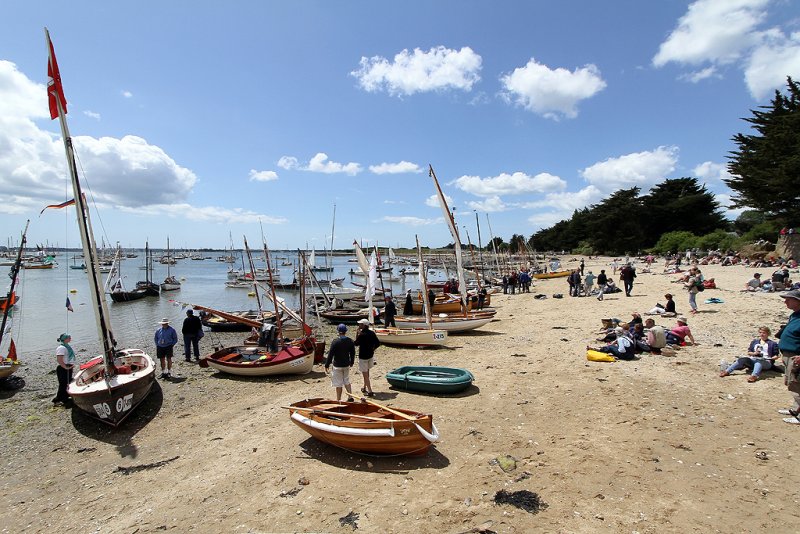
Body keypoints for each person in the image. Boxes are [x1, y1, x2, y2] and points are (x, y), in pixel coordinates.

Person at [776, 290, 800, 424]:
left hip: (796, 356)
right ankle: (796, 409)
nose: (785, 301)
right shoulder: (794, 315)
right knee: (790, 382)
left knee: (796, 384)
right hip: (788, 354)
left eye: (789, 299)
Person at [325, 324, 356, 402]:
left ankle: (338, 399)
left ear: (338, 331)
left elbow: (330, 354)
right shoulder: (350, 341)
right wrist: (352, 362)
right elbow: (353, 353)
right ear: (346, 331)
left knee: (338, 384)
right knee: (346, 380)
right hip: (346, 364)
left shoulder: (335, 342)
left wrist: (327, 364)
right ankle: (350, 396)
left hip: (337, 365)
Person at [354, 319, 380, 397]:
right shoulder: (372, 333)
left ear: (364, 325)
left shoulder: (362, 335)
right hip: (370, 355)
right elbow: (378, 343)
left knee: (365, 374)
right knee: (367, 373)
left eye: (360, 324)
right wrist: (373, 349)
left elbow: (356, 343)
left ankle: (370, 391)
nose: (359, 325)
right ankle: (365, 387)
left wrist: (357, 334)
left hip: (363, 357)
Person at [52, 333, 75, 405]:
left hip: (68, 366)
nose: (70, 338)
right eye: (69, 337)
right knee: (63, 384)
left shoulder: (66, 346)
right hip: (63, 367)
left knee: (68, 382)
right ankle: (58, 399)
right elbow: (59, 359)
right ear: (65, 339)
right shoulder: (61, 348)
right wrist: (65, 367)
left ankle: (66, 397)